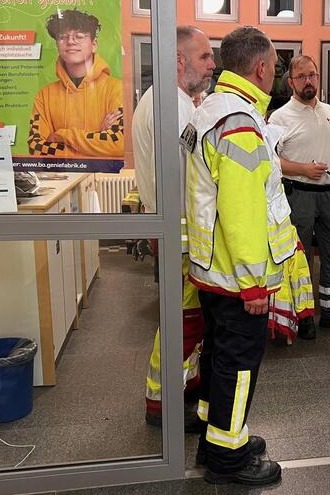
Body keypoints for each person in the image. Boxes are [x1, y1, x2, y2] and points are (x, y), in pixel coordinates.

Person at [185, 26, 298, 486]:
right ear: (260, 68)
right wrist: (255, 284)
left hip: (213, 270)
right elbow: (243, 211)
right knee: (238, 364)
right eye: (275, 67)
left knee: (218, 354)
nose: (276, 76)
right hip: (238, 278)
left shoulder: (210, 110)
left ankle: (218, 435)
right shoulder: (241, 123)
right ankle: (228, 459)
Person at [134, 26, 215, 429]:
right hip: (179, 232)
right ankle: (161, 402)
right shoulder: (173, 107)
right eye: (204, 57)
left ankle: (180, 387)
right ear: (179, 60)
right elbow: (190, 176)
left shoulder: (174, 102)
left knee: (186, 319)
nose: (212, 64)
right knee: (181, 321)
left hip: (174, 229)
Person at [268, 55, 330, 338]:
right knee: (300, 257)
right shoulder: (280, 117)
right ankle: (303, 315)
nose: (308, 81)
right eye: (302, 77)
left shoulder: (329, 111)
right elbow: (272, 161)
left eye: (312, 75)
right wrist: (303, 170)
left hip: (327, 195)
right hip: (298, 193)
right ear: (291, 82)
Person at [29, 9, 124, 159]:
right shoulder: (44, 95)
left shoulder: (117, 89)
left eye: (79, 36)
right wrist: (97, 139)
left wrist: (62, 135)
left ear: (94, 44)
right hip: (61, 181)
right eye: (63, 37)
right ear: (57, 45)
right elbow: (36, 147)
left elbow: (118, 144)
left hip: (101, 179)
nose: (71, 41)